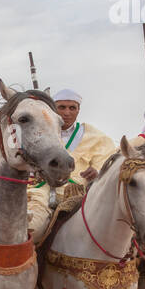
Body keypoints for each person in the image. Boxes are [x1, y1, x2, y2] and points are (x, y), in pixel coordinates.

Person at [25, 87, 117, 237]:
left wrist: (97, 172)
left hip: (79, 194)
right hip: (39, 191)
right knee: (31, 228)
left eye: (72, 108)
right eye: (62, 107)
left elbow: (108, 166)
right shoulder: (36, 132)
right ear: (53, 109)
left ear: (78, 110)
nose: (67, 112)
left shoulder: (97, 136)